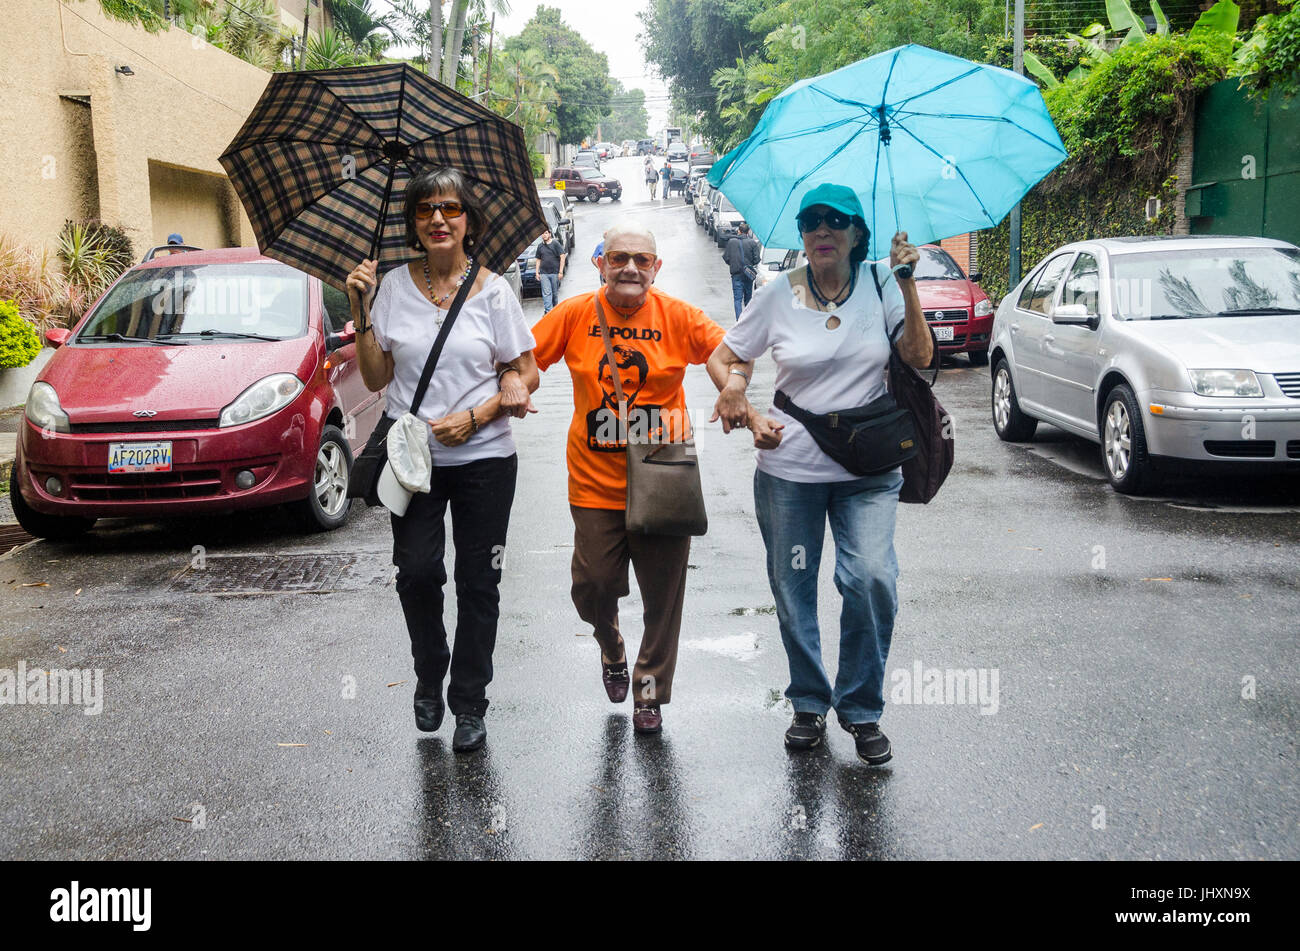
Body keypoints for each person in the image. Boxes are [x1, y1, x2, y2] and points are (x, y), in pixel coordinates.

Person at [705, 183, 931, 765]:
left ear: (858, 233)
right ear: (801, 234)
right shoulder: (778, 292)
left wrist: (908, 287)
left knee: (871, 579)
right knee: (793, 589)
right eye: (811, 222)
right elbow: (727, 354)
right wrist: (737, 392)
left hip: (869, 467)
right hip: (789, 470)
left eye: (835, 221)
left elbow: (920, 358)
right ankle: (809, 701)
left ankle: (861, 708)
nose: (821, 231)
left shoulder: (883, 282)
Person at [345, 166, 540, 754]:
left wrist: (481, 414)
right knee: (419, 573)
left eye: (450, 209)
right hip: (414, 461)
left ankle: (469, 701)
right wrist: (360, 313)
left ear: (469, 222)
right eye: (426, 209)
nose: (437, 219)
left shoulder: (496, 291)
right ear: (411, 223)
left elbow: (523, 369)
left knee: (481, 581)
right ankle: (430, 671)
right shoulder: (392, 288)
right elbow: (378, 376)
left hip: (485, 459)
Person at [531, 224, 725, 735]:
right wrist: (513, 383)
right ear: (601, 263)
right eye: (619, 258)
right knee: (592, 585)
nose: (631, 268)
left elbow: (724, 354)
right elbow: (528, 359)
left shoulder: (677, 315)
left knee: (663, 597)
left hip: (664, 471)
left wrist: (735, 390)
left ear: (656, 268)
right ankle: (610, 643)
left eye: (642, 259)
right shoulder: (574, 313)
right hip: (594, 481)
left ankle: (648, 691)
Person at [723, 222, 760, 320]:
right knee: (748, 299)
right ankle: (747, 321)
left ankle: (739, 321)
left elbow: (726, 257)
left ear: (739, 231)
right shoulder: (752, 243)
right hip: (748, 275)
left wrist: (733, 263)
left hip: (736, 274)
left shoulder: (731, 242)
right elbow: (757, 259)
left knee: (737, 299)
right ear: (748, 232)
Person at [534, 229, 566, 313]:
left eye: (546, 233)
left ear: (549, 234)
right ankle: (549, 312)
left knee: (554, 294)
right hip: (544, 274)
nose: (544, 235)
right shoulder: (540, 246)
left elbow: (562, 257)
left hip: (554, 273)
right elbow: (538, 260)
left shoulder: (555, 244)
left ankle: (555, 309)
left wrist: (561, 272)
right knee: (546, 294)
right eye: (542, 233)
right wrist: (537, 272)